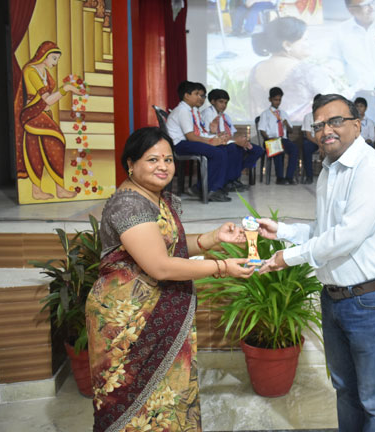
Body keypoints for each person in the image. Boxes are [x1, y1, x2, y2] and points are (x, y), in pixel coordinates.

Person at [257, 94, 375, 431]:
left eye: (335, 121)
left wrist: (287, 258)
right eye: (319, 125)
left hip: (373, 299)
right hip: (336, 297)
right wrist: (282, 231)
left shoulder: (371, 168)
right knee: (345, 390)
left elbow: (347, 236)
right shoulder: (329, 169)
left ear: (357, 125)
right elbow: (325, 231)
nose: (326, 130)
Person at [86, 127, 254, 431]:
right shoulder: (129, 205)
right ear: (131, 164)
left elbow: (165, 244)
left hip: (159, 311)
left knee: (169, 402)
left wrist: (214, 238)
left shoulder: (157, 198)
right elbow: (161, 266)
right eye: (152, 160)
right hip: (129, 322)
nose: (163, 166)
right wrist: (222, 267)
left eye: (168, 159)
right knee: (132, 408)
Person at [14, 41, 83, 201]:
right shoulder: (30, 71)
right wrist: (66, 89)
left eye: (57, 59)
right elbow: (47, 100)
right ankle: (50, 189)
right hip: (32, 115)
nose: (56, 62)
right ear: (44, 56)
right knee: (57, 140)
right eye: (54, 58)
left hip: (42, 113)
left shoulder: (44, 71)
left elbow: (46, 101)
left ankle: (47, 190)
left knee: (35, 149)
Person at [249, 16, 335, 121]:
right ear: (287, 45)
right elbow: (336, 107)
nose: (309, 44)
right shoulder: (308, 71)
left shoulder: (256, 69)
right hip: (301, 130)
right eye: (305, 39)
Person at [167, 81, 232, 202]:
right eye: (196, 94)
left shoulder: (190, 110)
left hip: (186, 143)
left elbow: (198, 134)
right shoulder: (183, 110)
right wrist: (211, 141)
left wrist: (213, 137)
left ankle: (207, 187)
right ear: (187, 95)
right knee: (217, 152)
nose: (200, 98)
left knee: (222, 149)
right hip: (180, 145)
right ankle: (211, 189)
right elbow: (191, 137)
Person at [201, 88, 264, 191]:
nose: (224, 105)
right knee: (235, 149)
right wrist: (236, 141)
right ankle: (229, 180)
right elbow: (212, 135)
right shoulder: (208, 114)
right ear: (212, 101)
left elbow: (231, 133)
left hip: (228, 141)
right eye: (221, 102)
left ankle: (234, 175)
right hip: (215, 143)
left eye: (226, 103)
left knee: (257, 150)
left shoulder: (224, 116)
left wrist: (242, 139)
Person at [258, 87, 299, 184]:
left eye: (279, 100)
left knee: (294, 149)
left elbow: (290, 130)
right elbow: (262, 130)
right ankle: (279, 178)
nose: (278, 102)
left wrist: (286, 124)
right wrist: (269, 140)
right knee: (277, 148)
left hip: (283, 139)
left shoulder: (283, 113)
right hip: (270, 139)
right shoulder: (265, 114)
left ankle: (289, 177)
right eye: (275, 100)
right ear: (270, 99)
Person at [300, 93, 323, 184]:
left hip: (324, 140)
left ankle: (328, 176)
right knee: (306, 146)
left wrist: (323, 144)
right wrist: (319, 144)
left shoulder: (326, 117)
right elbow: (308, 135)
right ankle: (309, 176)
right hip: (313, 141)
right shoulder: (308, 117)